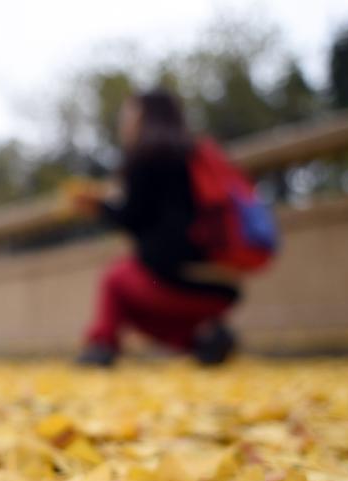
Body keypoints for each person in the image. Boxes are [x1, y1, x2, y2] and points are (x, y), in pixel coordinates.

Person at [71, 89, 270, 367]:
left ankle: (101, 347)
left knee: (114, 281)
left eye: (129, 115)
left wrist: (99, 207)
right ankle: (206, 339)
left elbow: (133, 219)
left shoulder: (146, 156)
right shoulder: (194, 155)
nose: (124, 123)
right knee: (135, 298)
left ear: (143, 117)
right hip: (222, 282)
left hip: (172, 277)